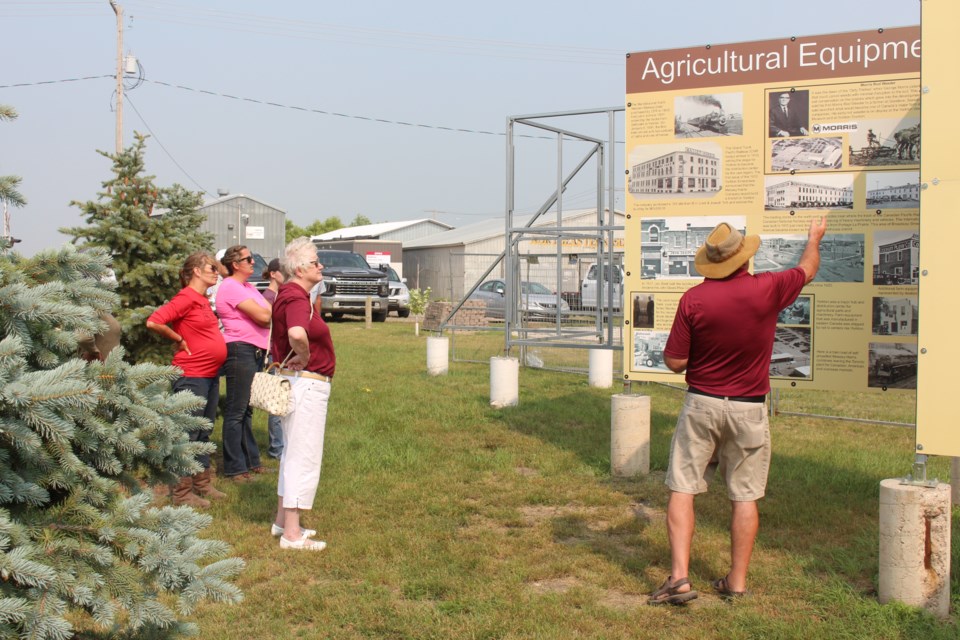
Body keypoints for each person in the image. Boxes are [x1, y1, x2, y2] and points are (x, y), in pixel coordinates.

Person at [648, 218, 826, 605]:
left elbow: (675, 361)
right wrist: (814, 238)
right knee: (744, 495)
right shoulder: (768, 289)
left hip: (702, 403)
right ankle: (737, 582)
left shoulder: (693, 300)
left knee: (683, 486)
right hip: (749, 408)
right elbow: (808, 269)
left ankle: (679, 577)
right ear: (745, 259)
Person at [146, 252, 228, 508]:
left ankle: (201, 483)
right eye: (211, 268)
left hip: (209, 374)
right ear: (196, 271)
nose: (216, 272)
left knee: (204, 429)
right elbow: (154, 321)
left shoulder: (202, 299)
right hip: (192, 375)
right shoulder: (186, 298)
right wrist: (178, 339)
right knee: (188, 433)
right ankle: (181, 493)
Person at [270, 237, 335, 551]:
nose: (320, 266)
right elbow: (297, 332)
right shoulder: (296, 296)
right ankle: (291, 534)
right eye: (315, 262)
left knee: (291, 452)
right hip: (305, 384)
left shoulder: (292, 294)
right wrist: (306, 356)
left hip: (298, 383)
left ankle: (283, 520)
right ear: (299, 268)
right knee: (302, 456)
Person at [216, 245, 272, 482]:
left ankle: (251, 461)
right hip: (239, 349)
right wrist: (263, 312)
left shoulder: (247, 287)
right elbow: (264, 316)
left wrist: (264, 312)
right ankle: (235, 468)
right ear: (235, 264)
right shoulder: (230, 286)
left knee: (246, 410)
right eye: (247, 259)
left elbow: (269, 311)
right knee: (236, 410)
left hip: (253, 350)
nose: (252, 261)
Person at [261, 258, 286, 460]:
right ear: (273, 274)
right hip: (273, 355)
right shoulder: (268, 297)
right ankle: (277, 449)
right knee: (277, 402)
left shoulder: (281, 295)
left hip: (284, 354)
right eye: (284, 272)